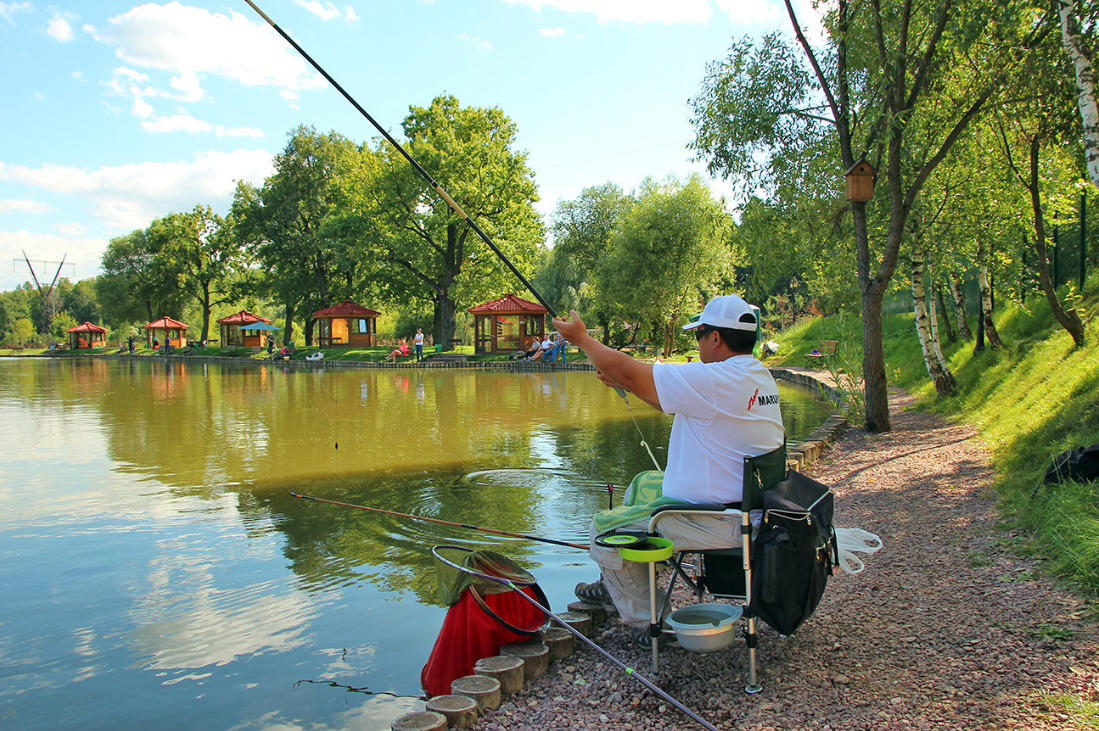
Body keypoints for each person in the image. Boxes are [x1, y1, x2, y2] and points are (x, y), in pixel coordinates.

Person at [552, 294, 784, 646]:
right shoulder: (755, 376)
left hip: (718, 520)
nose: (699, 343)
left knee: (603, 532)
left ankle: (653, 622)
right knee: (642, 483)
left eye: (699, 335)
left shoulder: (716, 380)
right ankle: (618, 582)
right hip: (747, 508)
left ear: (716, 338)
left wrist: (582, 339)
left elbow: (628, 370)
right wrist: (625, 382)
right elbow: (659, 394)